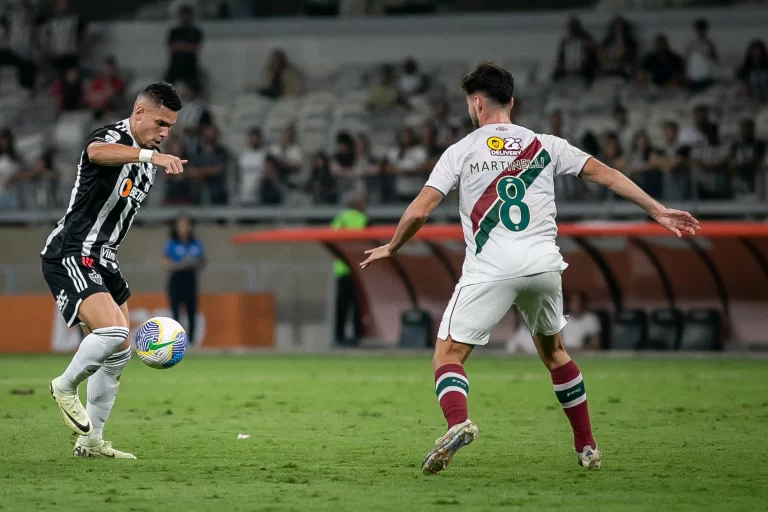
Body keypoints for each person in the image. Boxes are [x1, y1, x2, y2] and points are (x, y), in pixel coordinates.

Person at [360, 62, 699, 474]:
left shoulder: (462, 151)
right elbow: (607, 175)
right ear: (512, 102)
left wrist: (394, 246)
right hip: (543, 265)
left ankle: (457, 423)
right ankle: (587, 446)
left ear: (477, 103)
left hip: (491, 267)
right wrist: (658, 210)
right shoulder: (545, 144)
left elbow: (420, 210)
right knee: (556, 353)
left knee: (447, 354)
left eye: (471, 102)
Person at [41, 82, 185, 459]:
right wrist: (147, 157)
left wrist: (148, 157)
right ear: (139, 113)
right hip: (72, 250)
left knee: (120, 350)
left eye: (170, 126)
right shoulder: (112, 137)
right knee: (114, 330)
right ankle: (64, 386)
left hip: (105, 258)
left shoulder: (147, 160)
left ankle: (91, 441)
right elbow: (95, 152)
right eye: (160, 122)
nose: (165, 132)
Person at [163, 215, 204, 346]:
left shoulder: (195, 243)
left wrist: (193, 263)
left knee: (191, 311)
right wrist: (178, 265)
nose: (184, 228)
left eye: (186, 225)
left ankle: (191, 342)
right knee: (175, 311)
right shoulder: (172, 243)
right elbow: (164, 261)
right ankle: (177, 341)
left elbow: (202, 260)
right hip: (176, 278)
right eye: (181, 225)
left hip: (190, 279)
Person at [331, 197, 367, 346]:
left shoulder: (339, 219)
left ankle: (338, 337)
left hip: (341, 269)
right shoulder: (363, 219)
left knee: (341, 305)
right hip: (359, 270)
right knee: (357, 304)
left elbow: (331, 238)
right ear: (357, 205)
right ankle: (357, 337)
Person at [165, 5, 203, 88]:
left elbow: (195, 48)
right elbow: (171, 48)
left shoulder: (195, 31)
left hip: (190, 66)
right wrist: (185, 46)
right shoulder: (174, 31)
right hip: (175, 65)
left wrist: (181, 46)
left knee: (194, 87)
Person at [552, 17, 598, 85]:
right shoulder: (566, 40)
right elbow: (561, 57)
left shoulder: (586, 39)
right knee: (555, 75)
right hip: (569, 68)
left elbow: (592, 56)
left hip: (583, 68)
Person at [685, 18, 718, 92]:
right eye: (699, 29)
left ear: (706, 30)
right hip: (693, 77)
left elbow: (715, 60)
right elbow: (687, 61)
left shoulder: (710, 44)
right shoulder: (691, 44)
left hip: (706, 76)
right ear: (696, 30)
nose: (700, 31)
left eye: (702, 29)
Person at [238, 127, 267, 204]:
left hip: (260, 196)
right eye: (252, 137)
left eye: (256, 137)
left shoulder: (265, 155)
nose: (254, 140)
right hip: (244, 196)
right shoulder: (244, 155)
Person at [736, 39, 768, 104]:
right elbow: (743, 87)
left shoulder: (766, 67)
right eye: (754, 51)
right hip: (752, 100)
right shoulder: (745, 69)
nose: (756, 53)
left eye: (758, 51)